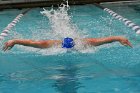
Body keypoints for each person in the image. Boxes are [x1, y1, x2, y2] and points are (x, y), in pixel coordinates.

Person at [2, 36, 132, 51]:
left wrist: (118, 38)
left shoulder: (84, 43)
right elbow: (32, 42)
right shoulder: (50, 44)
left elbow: (103, 40)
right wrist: (14, 40)